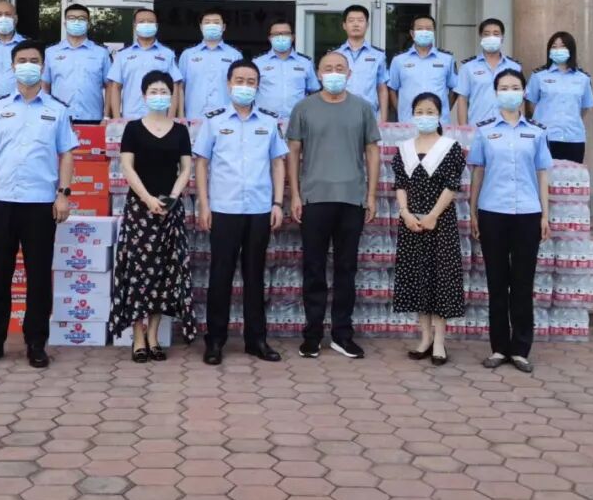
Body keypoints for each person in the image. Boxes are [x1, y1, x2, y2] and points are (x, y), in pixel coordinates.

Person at [0, 39, 76, 370]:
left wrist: (63, 194)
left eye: (34, 60)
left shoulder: (57, 110)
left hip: (40, 204)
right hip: (1, 202)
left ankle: (36, 343)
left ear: (42, 66)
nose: (28, 65)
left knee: (39, 278)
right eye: (22, 60)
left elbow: (66, 154)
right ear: (12, 66)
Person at [287, 51, 381, 360]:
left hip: (352, 198)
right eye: (328, 68)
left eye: (340, 68)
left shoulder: (363, 108)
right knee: (313, 269)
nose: (334, 72)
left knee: (346, 269)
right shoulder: (304, 108)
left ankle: (342, 334)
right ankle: (312, 335)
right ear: (318, 73)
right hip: (314, 198)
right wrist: (295, 195)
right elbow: (293, 153)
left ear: (349, 73)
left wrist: (371, 195)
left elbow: (372, 152)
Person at [194, 60, 287, 365]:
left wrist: (277, 203)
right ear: (228, 83)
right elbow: (202, 164)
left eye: (250, 81)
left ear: (258, 86)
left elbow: (278, 163)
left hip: (259, 209)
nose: (244, 86)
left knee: (255, 276)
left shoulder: (269, 122)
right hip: (224, 208)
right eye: (239, 80)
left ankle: (256, 340)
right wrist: (204, 205)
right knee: (220, 276)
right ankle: (215, 340)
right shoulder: (213, 121)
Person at [108, 71, 198, 360]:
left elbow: (186, 168)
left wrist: (172, 197)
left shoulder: (180, 131)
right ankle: (137, 337)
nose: (159, 96)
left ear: (172, 96)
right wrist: (147, 199)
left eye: (164, 91)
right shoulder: (133, 129)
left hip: (169, 211)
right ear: (144, 95)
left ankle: (154, 336)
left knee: (164, 272)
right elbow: (127, 167)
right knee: (138, 272)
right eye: (153, 91)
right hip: (140, 210)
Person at [468, 68, 552, 374]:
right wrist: (473, 211)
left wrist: (545, 214)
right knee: (496, 282)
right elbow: (478, 172)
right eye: (503, 87)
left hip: (528, 214)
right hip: (493, 212)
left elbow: (542, 174)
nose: (509, 92)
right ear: (496, 93)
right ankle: (499, 347)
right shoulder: (485, 131)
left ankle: (520, 349)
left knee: (522, 283)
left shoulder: (537, 132)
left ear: (524, 92)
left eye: (514, 87)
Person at [392, 93, 466, 366]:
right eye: (420, 111)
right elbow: (400, 184)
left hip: (440, 223)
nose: (425, 116)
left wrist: (434, 215)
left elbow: (452, 185)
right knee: (418, 280)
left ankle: (439, 342)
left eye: (430, 111)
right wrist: (405, 213)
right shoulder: (404, 148)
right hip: (411, 223)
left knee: (440, 280)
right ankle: (424, 338)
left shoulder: (450, 147)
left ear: (439, 114)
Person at [525, 31, 593, 163]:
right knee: (544, 174)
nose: (558, 50)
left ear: (571, 49)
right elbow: (532, 103)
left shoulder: (583, 78)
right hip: (546, 136)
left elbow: (585, 107)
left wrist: (570, 118)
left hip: (574, 138)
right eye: (554, 47)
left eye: (562, 46)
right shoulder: (539, 76)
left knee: (571, 175)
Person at [106, 8, 183, 119]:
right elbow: (115, 87)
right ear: (135, 26)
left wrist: (170, 118)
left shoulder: (167, 54)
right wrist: (117, 118)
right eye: (141, 21)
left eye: (150, 22)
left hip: (160, 117)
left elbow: (175, 86)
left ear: (156, 26)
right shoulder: (123, 55)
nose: (146, 24)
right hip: (130, 117)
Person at [42, 4, 111, 123]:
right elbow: (45, 85)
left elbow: (110, 86)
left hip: (93, 118)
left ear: (88, 24)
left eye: (82, 19)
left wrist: (106, 116)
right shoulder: (51, 52)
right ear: (65, 23)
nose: (76, 22)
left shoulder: (101, 52)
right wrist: (46, 113)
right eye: (72, 18)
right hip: (59, 118)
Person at [387, 14, 457, 126]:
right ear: (412, 33)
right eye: (420, 29)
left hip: (439, 123)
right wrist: (401, 112)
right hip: (408, 122)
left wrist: (444, 110)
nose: (424, 32)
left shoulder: (447, 59)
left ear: (433, 32)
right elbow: (392, 89)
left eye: (428, 29)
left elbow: (455, 88)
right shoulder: (399, 60)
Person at [179, 7, 242, 119]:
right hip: (194, 117)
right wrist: (181, 115)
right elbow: (180, 87)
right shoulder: (188, 55)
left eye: (216, 23)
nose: (212, 25)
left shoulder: (235, 55)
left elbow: (240, 88)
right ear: (201, 27)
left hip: (226, 118)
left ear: (223, 27)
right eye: (207, 22)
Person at [456, 18, 522, 126]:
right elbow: (462, 99)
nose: (491, 37)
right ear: (481, 37)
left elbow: (521, 99)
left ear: (502, 37)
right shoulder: (468, 67)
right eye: (486, 34)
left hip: (507, 126)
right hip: (477, 126)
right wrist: (463, 129)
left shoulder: (514, 66)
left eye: (496, 34)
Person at [253, 19, 319, 120]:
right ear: (270, 38)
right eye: (276, 34)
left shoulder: (306, 63)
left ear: (293, 37)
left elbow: (314, 92)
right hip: (265, 121)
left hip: (297, 120)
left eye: (285, 33)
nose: (280, 37)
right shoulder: (257, 62)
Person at [335, 5, 389, 122]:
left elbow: (381, 88)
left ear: (367, 25)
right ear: (344, 25)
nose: (356, 24)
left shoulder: (378, 55)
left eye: (360, 20)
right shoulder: (335, 55)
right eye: (351, 21)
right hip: (339, 113)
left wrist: (383, 120)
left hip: (369, 114)